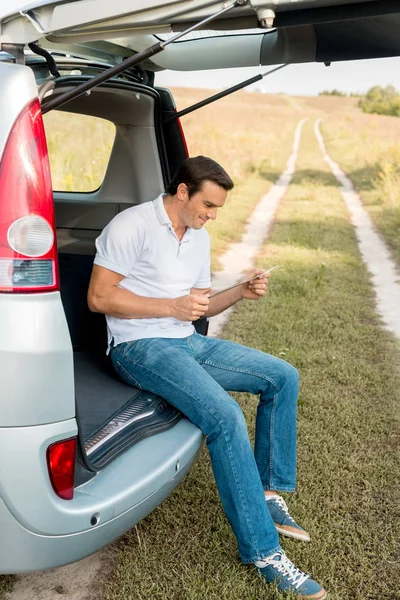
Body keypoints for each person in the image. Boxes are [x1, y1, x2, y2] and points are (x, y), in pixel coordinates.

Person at [88, 156, 327, 599]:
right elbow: (99, 297)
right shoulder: (131, 225)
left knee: (282, 376)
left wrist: (239, 291)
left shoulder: (197, 237)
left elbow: (198, 306)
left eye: (218, 209)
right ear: (183, 191)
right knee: (226, 416)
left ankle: (270, 495)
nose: (213, 215)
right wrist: (171, 308)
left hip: (186, 341)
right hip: (138, 347)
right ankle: (262, 552)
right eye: (209, 205)